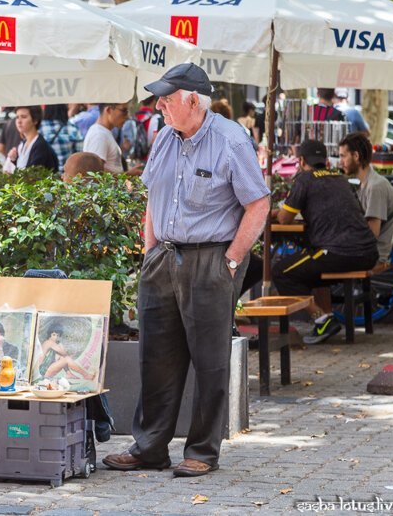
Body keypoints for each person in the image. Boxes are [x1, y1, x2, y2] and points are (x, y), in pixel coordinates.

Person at [102, 63, 270, 478]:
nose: (159, 105)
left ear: (193, 100)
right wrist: (150, 251)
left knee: (210, 360)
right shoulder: (163, 138)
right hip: (164, 258)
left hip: (211, 258)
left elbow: (259, 204)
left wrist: (231, 260)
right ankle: (150, 447)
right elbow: (153, 198)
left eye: (166, 99)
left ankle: (202, 451)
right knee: (155, 356)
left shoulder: (230, 140)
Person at [272, 139, 378, 344]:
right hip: (368, 253)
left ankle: (322, 320)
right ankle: (325, 317)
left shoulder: (305, 180)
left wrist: (274, 212)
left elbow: (285, 219)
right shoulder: (340, 179)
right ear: (326, 161)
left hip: (340, 253)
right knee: (310, 259)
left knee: (281, 272)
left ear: (302, 161)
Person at [339, 133, 393, 272]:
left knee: (319, 264)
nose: (340, 162)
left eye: (343, 156)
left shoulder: (375, 186)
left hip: (371, 256)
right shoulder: (366, 184)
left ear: (356, 156)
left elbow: (372, 234)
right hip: (363, 252)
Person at [82, 102, 140, 175]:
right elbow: (96, 172)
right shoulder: (99, 135)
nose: (127, 116)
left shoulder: (103, 132)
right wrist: (127, 175)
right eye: (124, 110)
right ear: (109, 110)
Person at [3, 106, 58, 173]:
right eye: (17, 117)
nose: (19, 121)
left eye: (23, 117)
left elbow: (31, 175)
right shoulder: (23, 143)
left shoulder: (39, 145)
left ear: (35, 120)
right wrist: (14, 160)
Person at [40, 104, 83, 171]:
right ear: (64, 109)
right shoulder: (72, 128)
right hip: (66, 176)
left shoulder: (39, 128)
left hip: (45, 176)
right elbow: (80, 156)